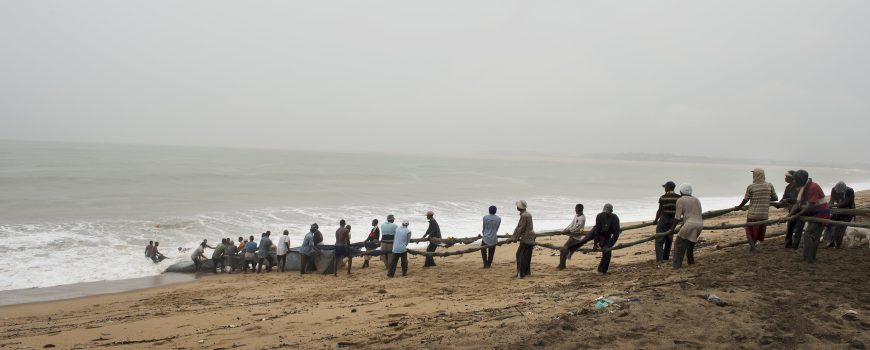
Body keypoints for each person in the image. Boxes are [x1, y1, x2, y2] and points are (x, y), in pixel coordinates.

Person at [789, 170, 832, 263]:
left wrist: (796, 215)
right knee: (814, 236)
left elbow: (810, 206)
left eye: (796, 179)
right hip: (815, 213)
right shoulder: (803, 188)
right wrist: (789, 215)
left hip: (822, 214)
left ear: (800, 179)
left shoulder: (813, 187)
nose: (795, 181)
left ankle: (809, 258)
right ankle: (808, 257)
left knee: (809, 234)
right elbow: (797, 204)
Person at [735, 168, 778, 254]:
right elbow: (775, 198)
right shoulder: (769, 185)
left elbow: (745, 200)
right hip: (764, 214)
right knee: (758, 231)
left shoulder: (751, 187)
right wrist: (765, 197)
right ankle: (753, 247)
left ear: (756, 175)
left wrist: (738, 207)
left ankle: (753, 248)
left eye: (753, 174)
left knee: (749, 231)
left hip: (753, 214)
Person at [671, 184, 703, 269]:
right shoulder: (697, 200)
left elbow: (677, 217)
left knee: (679, 244)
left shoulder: (680, 200)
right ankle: (691, 262)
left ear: (681, 191)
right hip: (700, 224)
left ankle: (677, 266)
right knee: (690, 244)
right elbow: (695, 213)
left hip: (690, 224)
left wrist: (672, 229)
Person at [589, 204, 621, 274]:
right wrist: (595, 243)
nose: (606, 213)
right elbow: (597, 230)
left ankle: (602, 270)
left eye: (608, 211)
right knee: (607, 253)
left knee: (608, 252)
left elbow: (616, 233)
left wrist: (609, 245)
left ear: (611, 211)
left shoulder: (615, 218)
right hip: (601, 236)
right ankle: (601, 270)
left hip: (608, 237)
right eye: (605, 211)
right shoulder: (599, 216)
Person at [653, 181, 680, 262]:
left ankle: (659, 259)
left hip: (664, 219)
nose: (664, 189)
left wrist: (655, 220)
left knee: (659, 239)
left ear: (668, 187)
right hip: (673, 220)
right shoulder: (679, 197)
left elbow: (659, 210)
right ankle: (666, 257)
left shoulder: (663, 197)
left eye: (665, 187)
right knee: (669, 238)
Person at [825, 181, 855, 248]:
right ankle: (830, 241)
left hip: (848, 211)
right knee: (829, 224)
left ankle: (837, 244)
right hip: (838, 210)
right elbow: (831, 200)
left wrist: (832, 206)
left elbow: (845, 203)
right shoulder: (834, 189)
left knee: (840, 227)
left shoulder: (849, 191)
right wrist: (829, 205)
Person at [557, 204, 587, 270]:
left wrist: (569, 231)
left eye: (576, 209)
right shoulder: (576, 215)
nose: (575, 210)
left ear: (579, 209)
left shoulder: (582, 218)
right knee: (565, 250)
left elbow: (577, 228)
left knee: (563, 249)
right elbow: (571, 224)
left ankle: (562, 265)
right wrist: (565, 229)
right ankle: (562, 265)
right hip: (572, 236)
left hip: (576, 238)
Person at [780, 171, 804, 248]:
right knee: (790, 227)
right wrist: (780, 203)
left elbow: (798, 200)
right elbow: (783, 198)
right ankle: (788, 243)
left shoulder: (799, 187)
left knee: (798, 229)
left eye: (786, 177)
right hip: (791, 210)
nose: (785, 178)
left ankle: (795, 245)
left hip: (800, 211)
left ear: (791, 177)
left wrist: (788, 200)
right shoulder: (788, 187)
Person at [512, 200, 535, 279]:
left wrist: (515, 238)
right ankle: (526, 272)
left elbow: (521, 228)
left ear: (519, 207)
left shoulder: (524, 216)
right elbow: (519, 227)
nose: (517, 207)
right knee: (527, 255)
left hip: (526, 238)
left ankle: (520, 274)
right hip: (531, 237)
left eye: (517, 206)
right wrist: (514, 236)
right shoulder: (528, 214)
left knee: (519, 255)